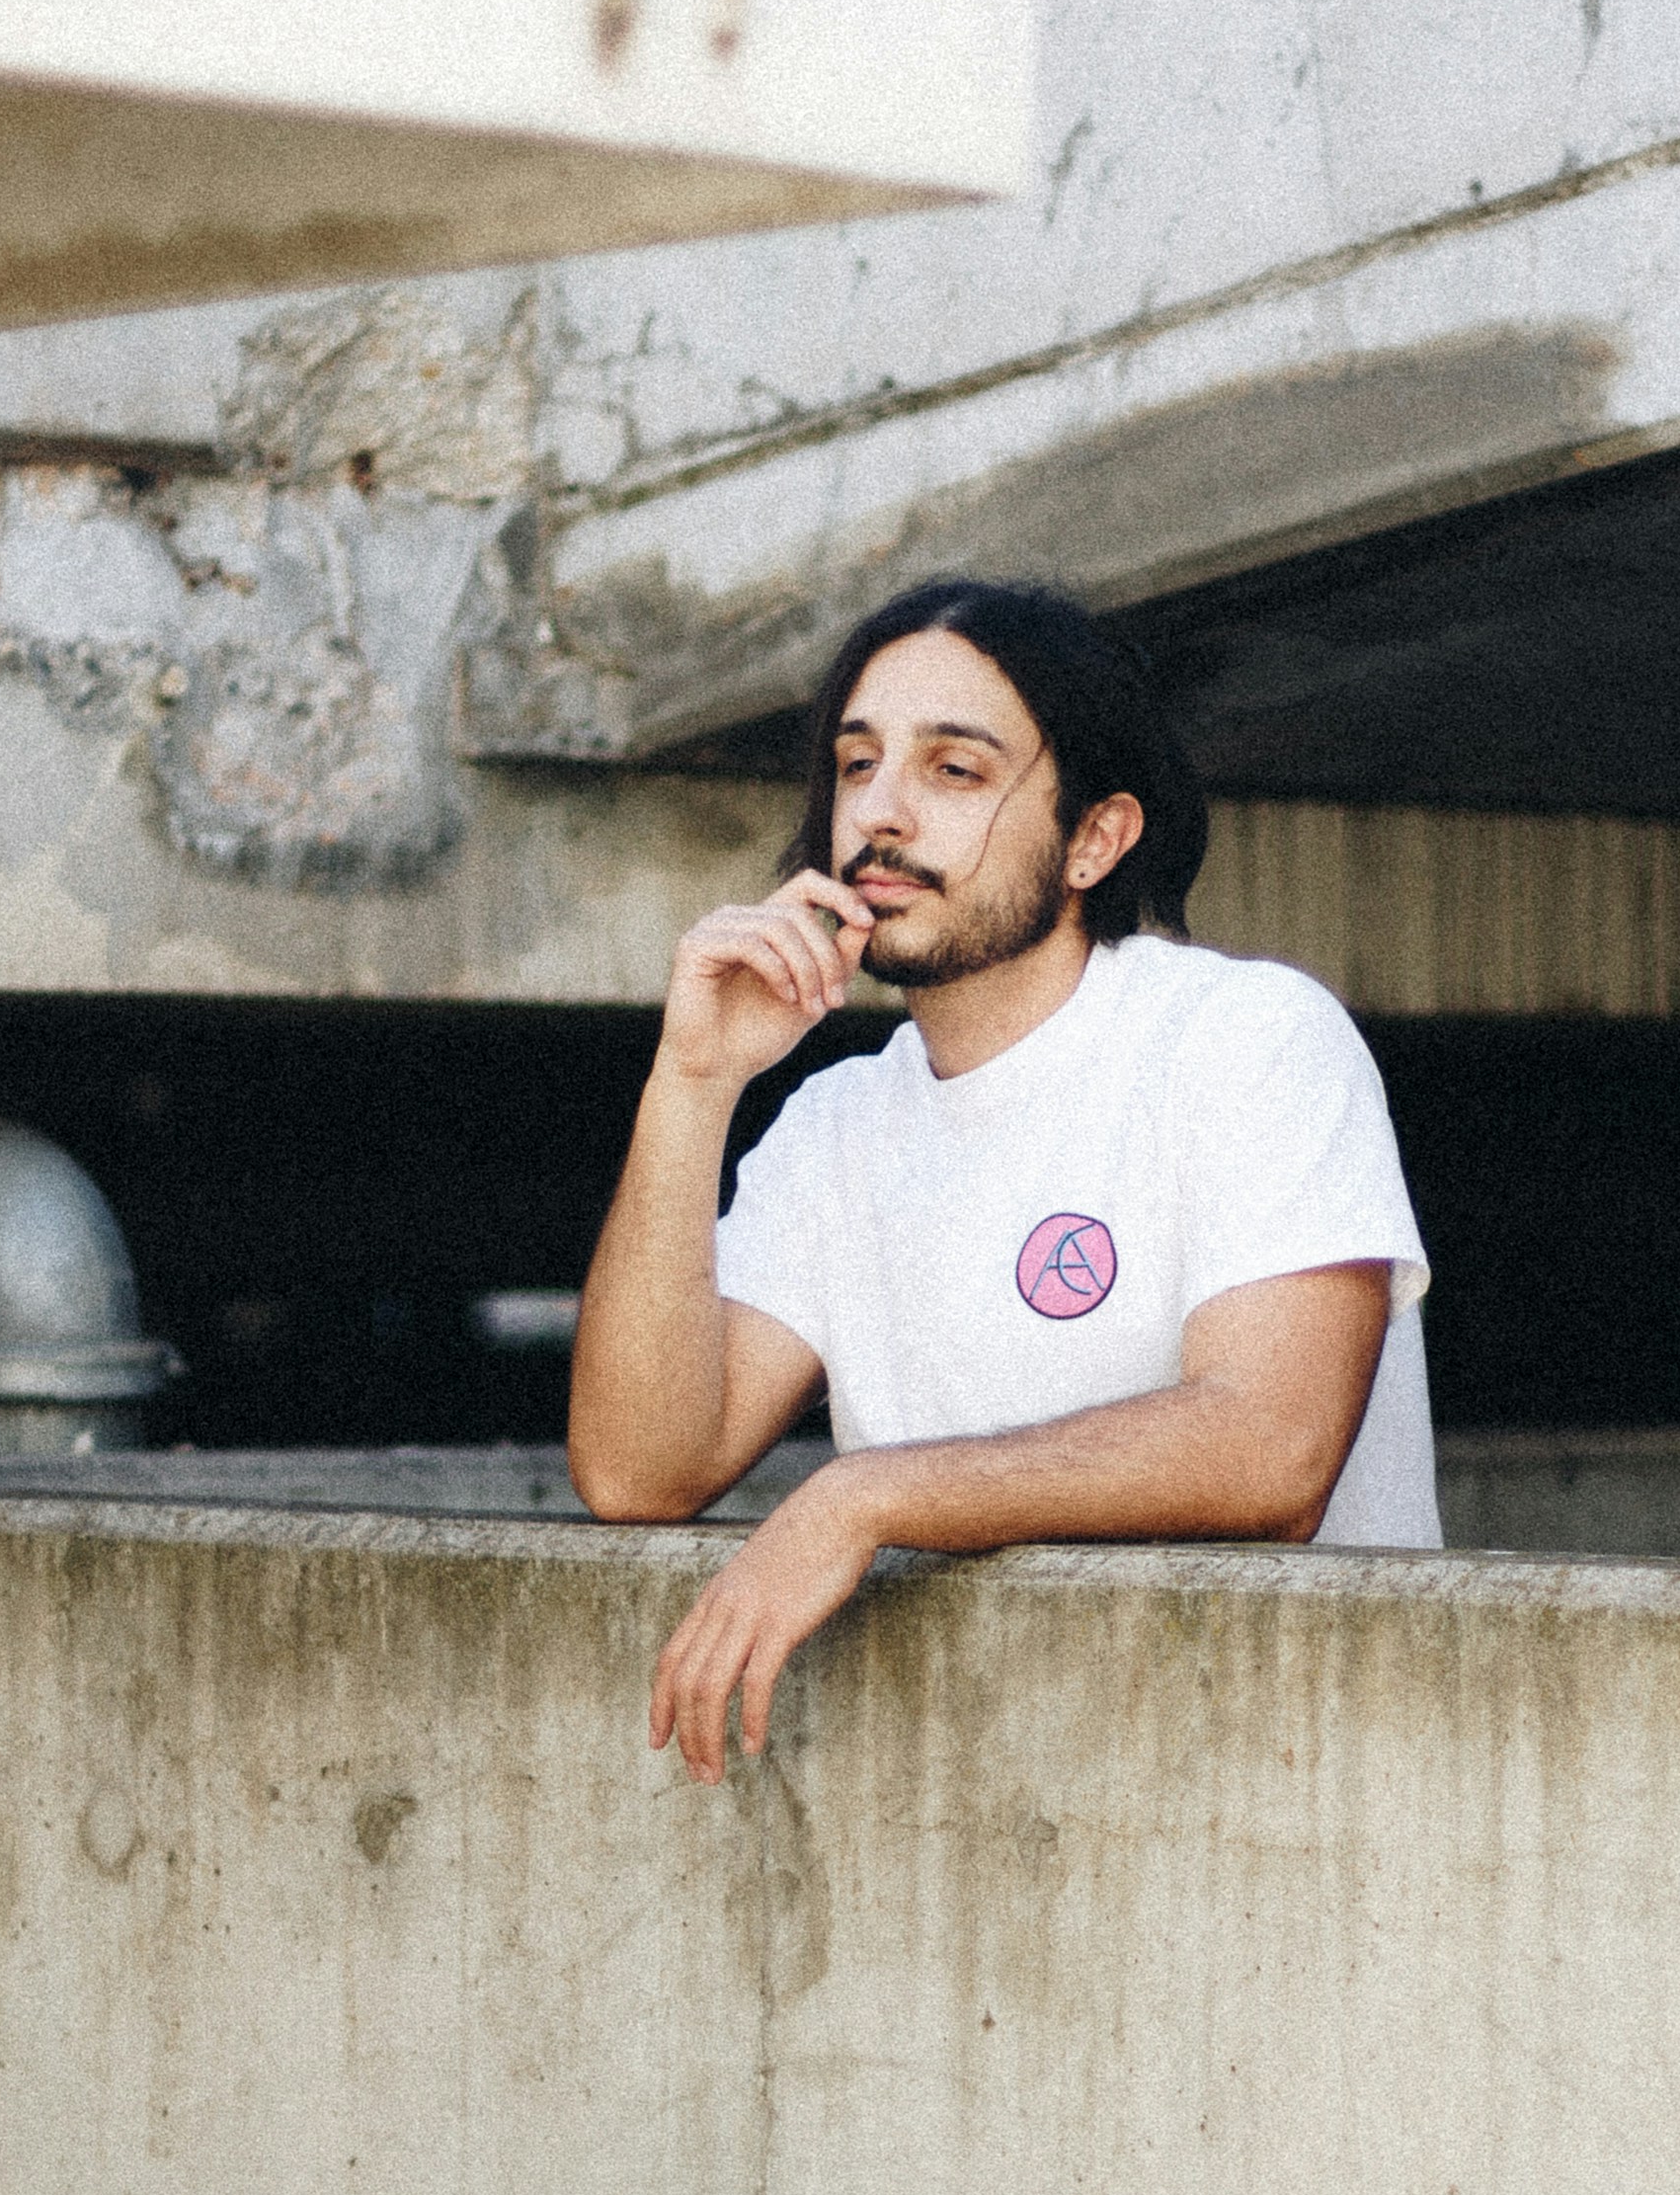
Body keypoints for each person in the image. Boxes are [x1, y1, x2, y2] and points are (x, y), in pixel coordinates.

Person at [569, 575, 1438, 1778]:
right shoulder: (835, 1126)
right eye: (858, 762)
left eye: (953, 771)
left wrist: (862, 1496)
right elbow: (638, 1471)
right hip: (980, 1829)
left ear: (1094, 837)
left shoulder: (1246, 1037)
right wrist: (692, 1081)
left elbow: (1271, 1449)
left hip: (1300, 1796)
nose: (879, 812)